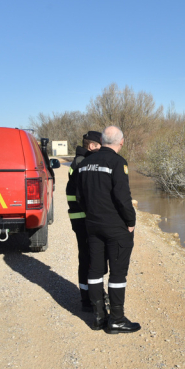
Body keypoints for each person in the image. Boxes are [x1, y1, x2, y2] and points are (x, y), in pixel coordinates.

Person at [76, 125, 140, 334]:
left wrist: (91, 216)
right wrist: (131, 221)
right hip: (115, 227)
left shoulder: (84, 163)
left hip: (93, 225)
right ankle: (117, 320)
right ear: (121, 143)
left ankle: (98, 317)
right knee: (117, 273)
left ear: (102, 140)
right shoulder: (117, 162)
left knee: (94, 270)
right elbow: (123, 197)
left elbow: (79, 198)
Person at [66, 131, 102, 312]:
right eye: (99, 146)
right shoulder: (82, 163)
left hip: (78, 216)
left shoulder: (79, 160)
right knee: (89, 257)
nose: (101, 150)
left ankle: (87, 296)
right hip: (83, 217)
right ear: (91, 146)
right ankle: (88, 299)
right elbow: (84, 194)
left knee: (85, 256)